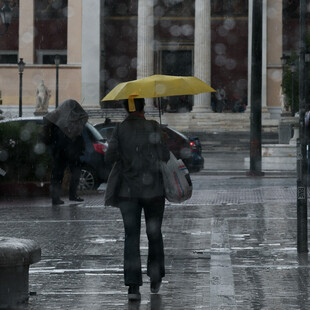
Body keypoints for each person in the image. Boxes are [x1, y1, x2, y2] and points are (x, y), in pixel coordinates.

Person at [105, 97, 170, 301]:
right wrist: (162, 139)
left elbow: (109, 157)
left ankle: (133, 286)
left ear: (126, 108)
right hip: (154, 192)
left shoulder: (120, 129)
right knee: (154, 233)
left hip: (127, 192)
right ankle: (155, 276)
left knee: (131, 237)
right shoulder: (153, 126)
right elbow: (165, 156)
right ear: (143, 107)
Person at [43, 99, 88, 205]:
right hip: (71, 151)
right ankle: (72, 195)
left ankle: (56, 197)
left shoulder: (56, 118)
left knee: (57, 174)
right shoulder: (74, 119)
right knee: (74, 172)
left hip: (59, 151)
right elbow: (78, 134)